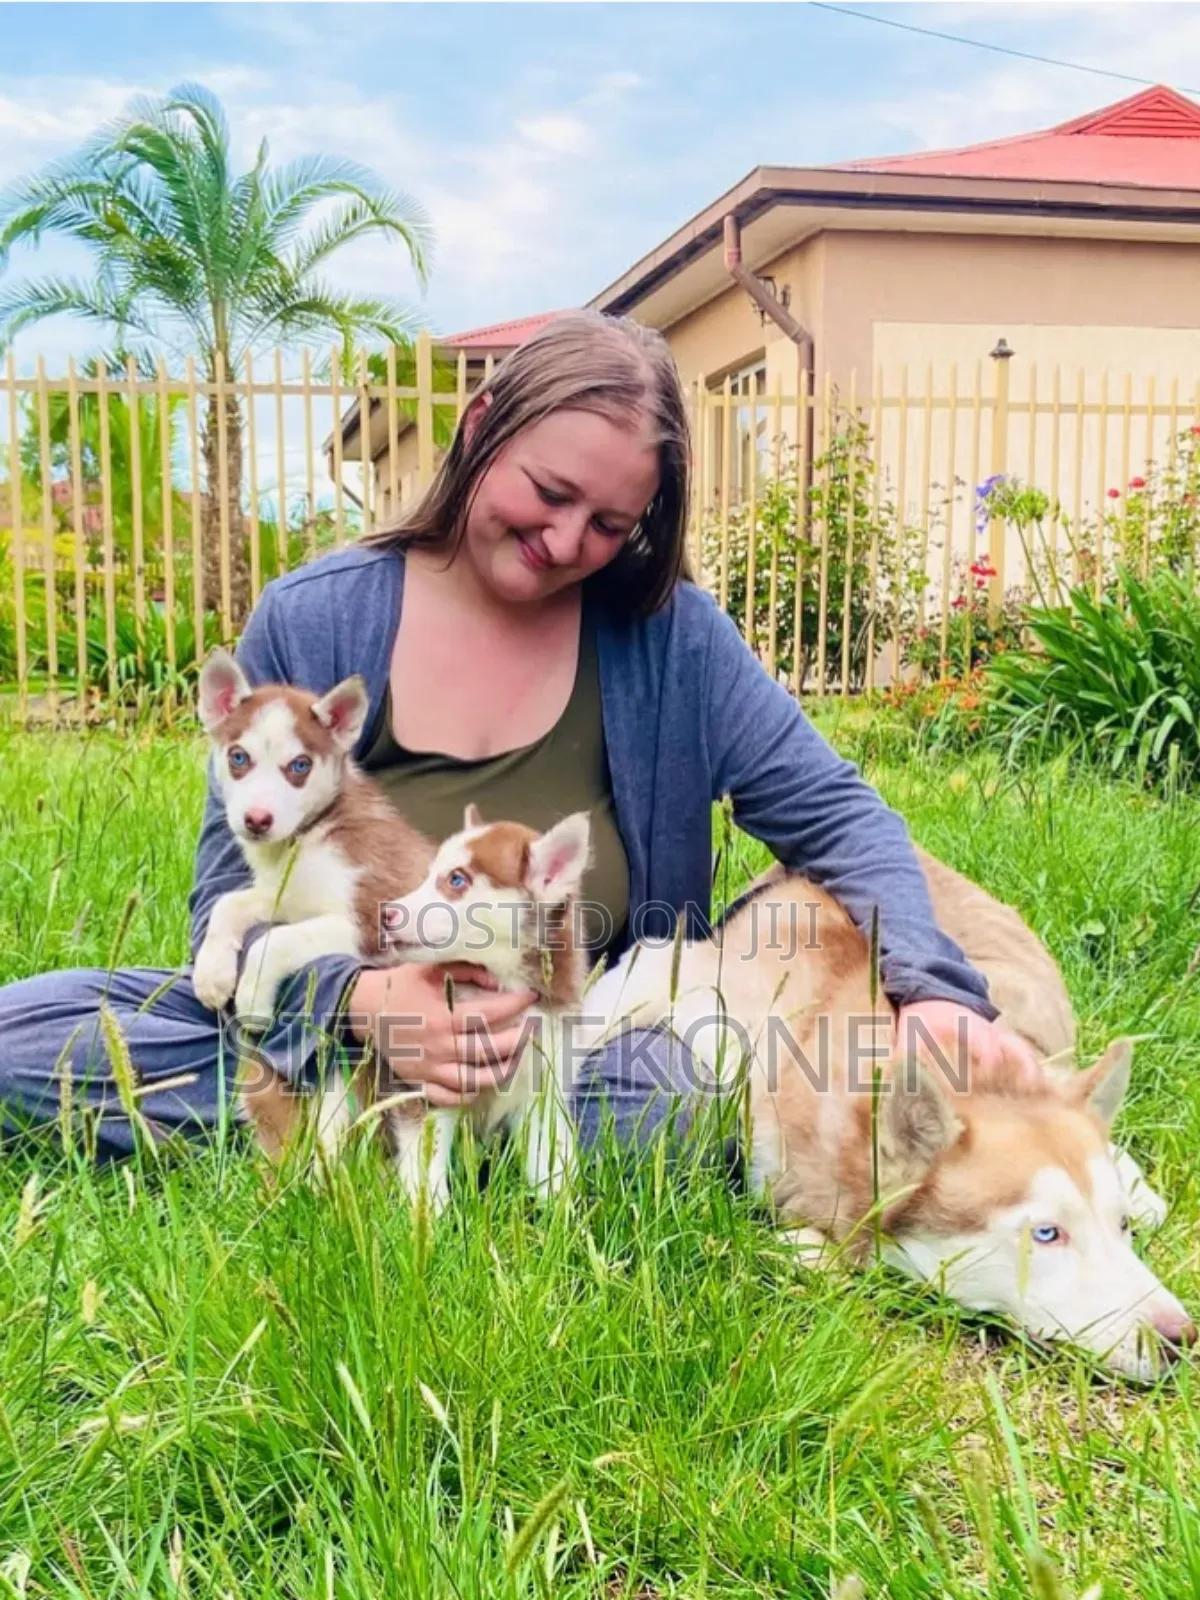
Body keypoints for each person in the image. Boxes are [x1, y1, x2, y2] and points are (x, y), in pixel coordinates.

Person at [0, 311, 1037, 1161]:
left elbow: (840, 817)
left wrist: (934, 992)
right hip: (328, 1041)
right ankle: (393, 1127)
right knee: (25, 1039)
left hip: (572, 1054)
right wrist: (366, 1003)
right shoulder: (314, 619)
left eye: (610, 525)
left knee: (674, 1100)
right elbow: (227, 912)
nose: (566, 541)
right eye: (549, 494)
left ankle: (389, 1143)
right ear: (480, 427)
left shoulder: (676, 642)